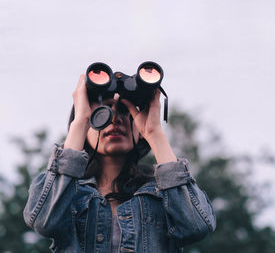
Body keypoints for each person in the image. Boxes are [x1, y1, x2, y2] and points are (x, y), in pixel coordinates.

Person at [23, 73, 216, 252]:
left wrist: (154, 134)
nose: (115, 119)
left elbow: (197, 226)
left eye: (125, 110)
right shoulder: (67, 192)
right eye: (102, 111)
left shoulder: (164, 196)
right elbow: (44, 221)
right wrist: (79, 122)